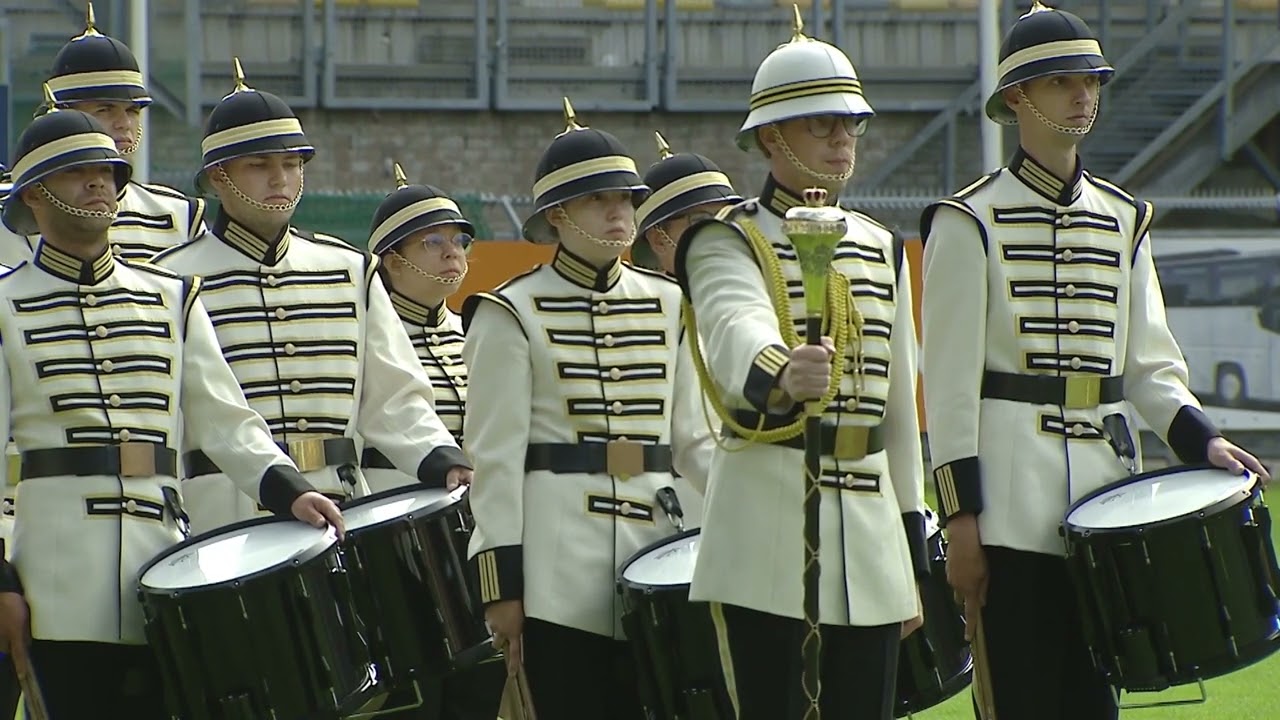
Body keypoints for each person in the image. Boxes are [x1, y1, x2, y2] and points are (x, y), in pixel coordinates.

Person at [918, 4, 1271, 719]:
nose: (1083, 95)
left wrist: (1205, 440)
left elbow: (1149, 366)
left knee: (1092, 706)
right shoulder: (967, 221)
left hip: (1107, 510)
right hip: (1008, 517)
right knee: (1020, 701)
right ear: (1016, 99)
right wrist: (961, 522)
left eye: (1092, 80)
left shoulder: (1123, 217)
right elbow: (949, 389)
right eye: (1061, 82)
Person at [0, 96, 342, 720]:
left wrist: (289, 490)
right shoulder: (5, 304)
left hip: (168, 572)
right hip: (54, 586)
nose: (100, 183)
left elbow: (225, 419)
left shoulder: (171, 297)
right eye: (79, 173)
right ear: (35, 196)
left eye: (107, 171)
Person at [674, 13, 929, 720]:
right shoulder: (727, 241)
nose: (843, 138)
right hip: (767, 535)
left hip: (872, 544)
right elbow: (732, 326)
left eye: (850, 124)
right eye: (821, 124)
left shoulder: (880, 245)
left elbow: (899, 414)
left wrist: (910, 545)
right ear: (769, 137)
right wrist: (781, 372)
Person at [464, 98, 712, 720]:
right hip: (556, 569)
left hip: (663, 544)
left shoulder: (671, 302)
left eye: (626, 200)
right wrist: (502, 585)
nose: (618, 213)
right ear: (556, 216)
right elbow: (493, 459)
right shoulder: (510, 310)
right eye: (598, 200)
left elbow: (694, 441)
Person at [151, 60, 471, 534]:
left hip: (342, 510)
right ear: (218, 177)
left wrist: (442, 458)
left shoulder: (349, 270)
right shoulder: (168, 280)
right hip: (221, 515)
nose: (280, 179)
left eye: (291, 164)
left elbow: (394, 398)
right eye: (259, 166)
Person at [361, 165, 506, 720]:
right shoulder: (365, 335)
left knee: (480, 690)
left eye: (459, 240)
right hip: (397, 542)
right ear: (392, 261)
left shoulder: (475, 332)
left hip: (475, 538)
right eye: (433, 242)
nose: (453, 252)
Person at [42, 2, 205, 262]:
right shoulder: (27, 207)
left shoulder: (178, 214)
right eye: (105, 110)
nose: (123, 123)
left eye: (132, 111)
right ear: (61, 115)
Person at [634, 131, 741, 277]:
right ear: (658, 240)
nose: (720, 230)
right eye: (701, 221)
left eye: (727, 216)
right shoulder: (653, 299)